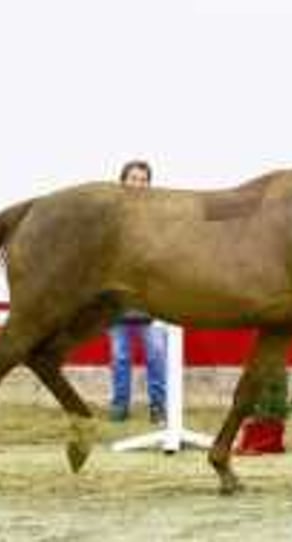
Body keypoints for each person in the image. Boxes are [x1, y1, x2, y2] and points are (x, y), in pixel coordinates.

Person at [108, 160, 168, 424]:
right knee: (120, 356)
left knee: (156, 353)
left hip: (151, 298)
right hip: (118, 298)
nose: (139, 184)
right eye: (134, 178)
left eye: (144, 179)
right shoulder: (110, 216)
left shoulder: (159, 217)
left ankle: (158, 406)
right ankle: (120, 406)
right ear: (123, 181)